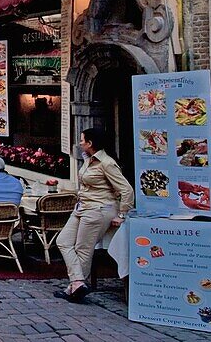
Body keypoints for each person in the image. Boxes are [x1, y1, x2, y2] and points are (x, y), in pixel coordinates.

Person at [55, 128, 134, 303]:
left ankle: (74, 288)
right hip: (82, 207)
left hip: (99, 209)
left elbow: (126, 190)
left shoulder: (106, 163)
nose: (80, 143)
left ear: (90, 143)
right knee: (63, 241)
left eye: (82, 140)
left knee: (84, 249)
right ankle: (77, 282)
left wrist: (122, 213)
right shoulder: (88, 160)